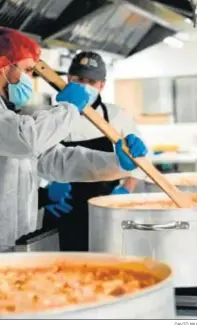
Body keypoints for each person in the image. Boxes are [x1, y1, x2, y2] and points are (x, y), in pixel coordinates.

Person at [0, 28, 148, 261]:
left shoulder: (6, 117)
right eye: (28, 71)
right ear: (4, 65)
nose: (30, 80)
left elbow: (61, 161)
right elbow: (26, 140)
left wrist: (119, 163)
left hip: (8, 247)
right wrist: (69, 108)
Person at [41, 51, 149, 251]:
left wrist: (126, 189)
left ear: (101, 85)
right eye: (79, 79)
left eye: (91, 81)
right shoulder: (50, 117)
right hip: (63, 210)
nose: (84, 85)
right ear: (68, 79)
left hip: (105, 209)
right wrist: (45, 196)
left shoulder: (115, 116)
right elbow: (33, 162)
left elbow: (141, 162)